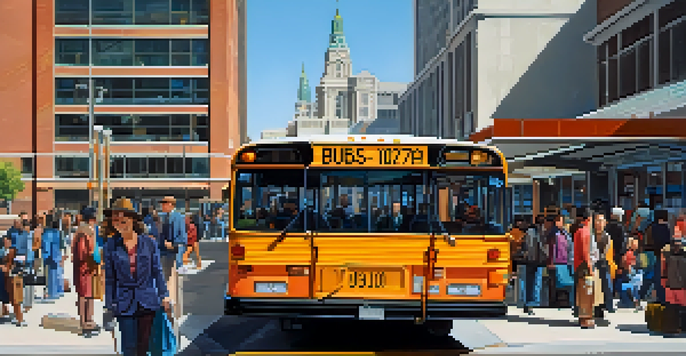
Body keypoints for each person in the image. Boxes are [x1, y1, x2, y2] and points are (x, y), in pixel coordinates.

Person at [104, 198, 169, 356]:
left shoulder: (149, 243)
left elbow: (157, 271)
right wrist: (108, 305)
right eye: (115, 221)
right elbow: (110, 279)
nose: (119, 224)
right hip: (124, 303)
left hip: (147, 301)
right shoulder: (110, 246)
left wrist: (164, 295)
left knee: (144, 346)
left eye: (123, 220)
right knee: (129, 347)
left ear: (133, 220)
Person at [158, 196, 187, 324]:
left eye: (164, 203)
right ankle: (167, 306)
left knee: (173, 283)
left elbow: (183, 238)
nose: (162, 206)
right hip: (164, 253)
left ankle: (174, 309)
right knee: (166, 281)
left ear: (170, 204)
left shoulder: (178, 217)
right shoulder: (165, 218)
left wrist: (173, 244)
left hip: (173, 254)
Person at [72, 207, 100, 336]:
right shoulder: (83, 232)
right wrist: (90, 259)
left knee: (89, 294)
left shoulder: (88, 230)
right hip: (83, 267)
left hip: (88, 268)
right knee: (84, 295)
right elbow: (81, 253)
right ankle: (85, 324)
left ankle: (89, 320)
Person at [574, 209, 594, 328]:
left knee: (581, 291)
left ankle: (582, 315)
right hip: (584, 265)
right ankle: (586, 318)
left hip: (578, 264)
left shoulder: (577, 231)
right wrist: (590, 266)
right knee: (587, 291)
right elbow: (585, 251)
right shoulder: (585, 232)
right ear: (588, 219)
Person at [42, 218, 62, 300]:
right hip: (57, 255)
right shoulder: (58, 233)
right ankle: (58, 291)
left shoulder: (47, 233)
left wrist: (46, 255)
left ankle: (50, 293)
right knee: (57, 274)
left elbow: (46, 245)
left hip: (49, 256)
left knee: (49, 276)